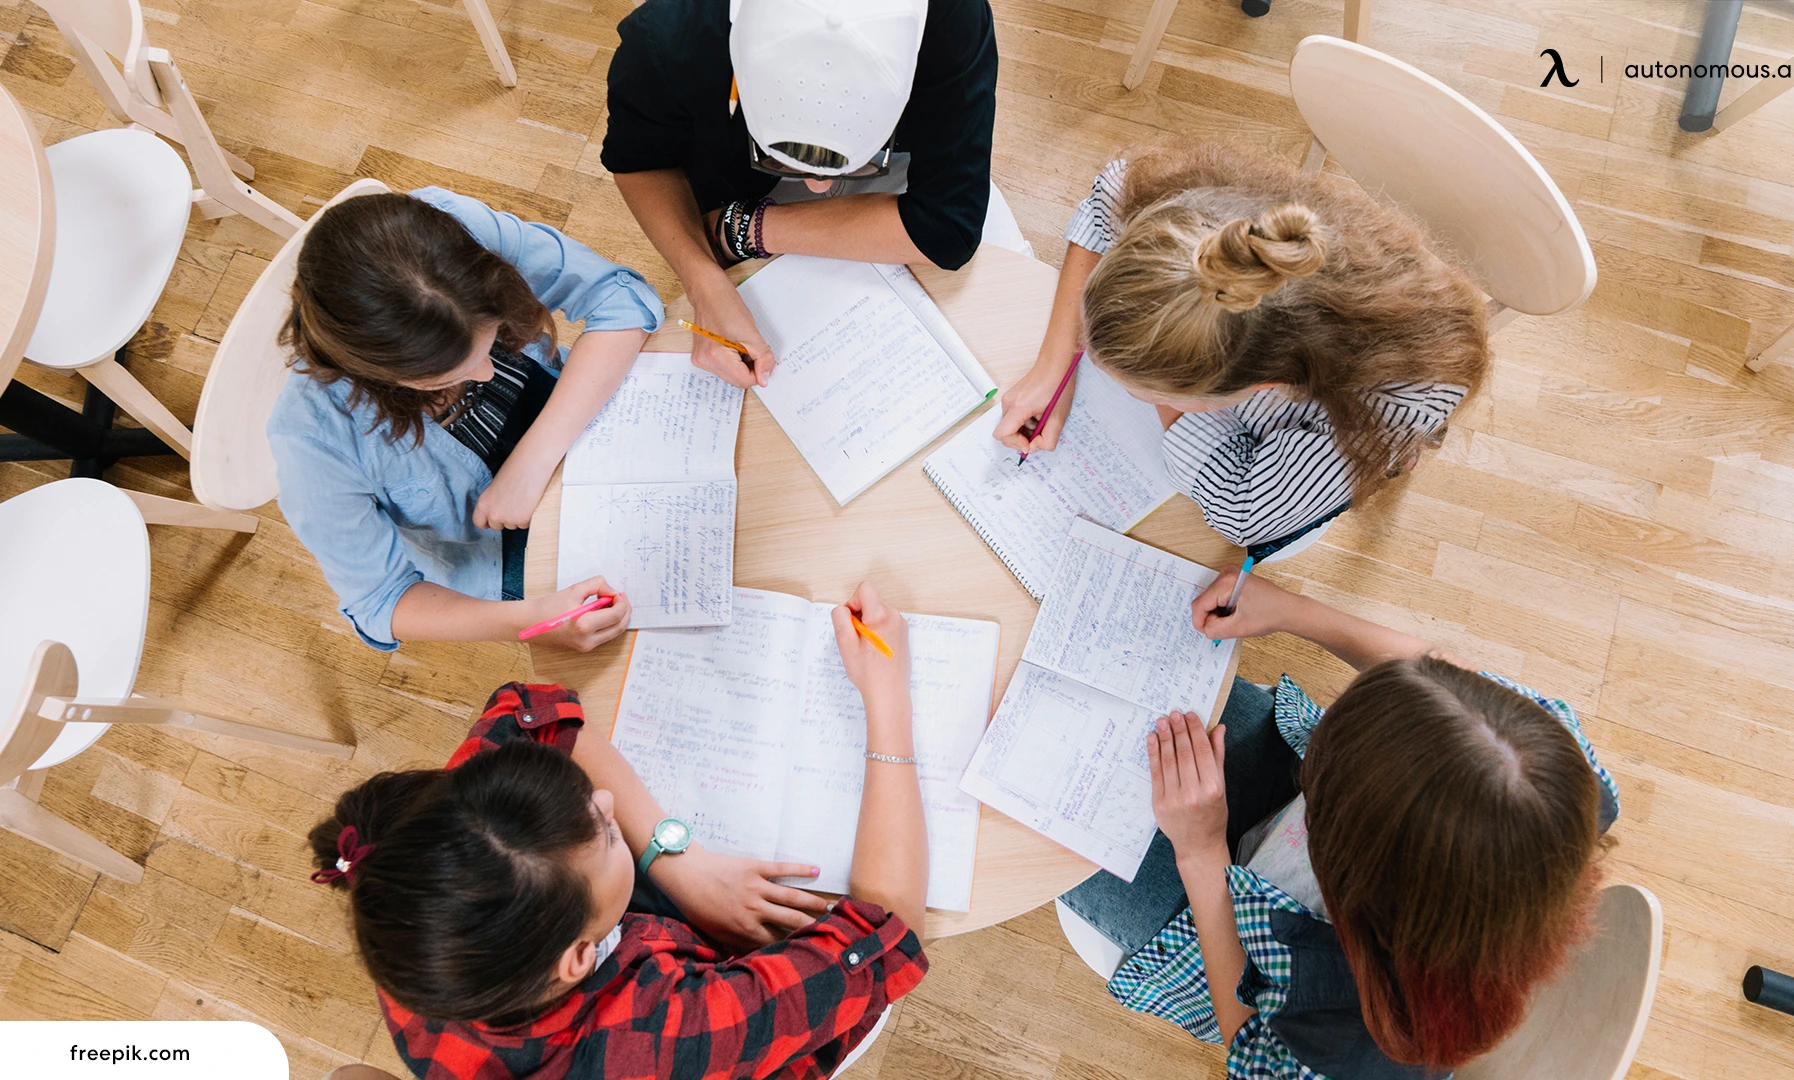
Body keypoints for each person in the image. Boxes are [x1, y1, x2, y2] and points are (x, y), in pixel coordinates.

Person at [310, 582, 929, 1080]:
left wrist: (672, 857)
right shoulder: (652, 1041)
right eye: (607, 833)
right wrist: (885, 696)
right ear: (581, 956)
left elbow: (526, 713)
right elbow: (887, 931)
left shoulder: (425, 901)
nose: (608, 800)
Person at [1059, 569, 1619, 1077]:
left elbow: (1251, 1043)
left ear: (1347, 865)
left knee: (1051, 817)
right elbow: (1441, 681)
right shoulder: (1545, 763)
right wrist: (1294, 613)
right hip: (1270, 856)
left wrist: (1201, 852)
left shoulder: (1346, 1050)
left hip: (1220, 940)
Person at [994, 144, 1492, 558]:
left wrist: (1159, 380)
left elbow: (1244, 511)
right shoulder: (1193, 218)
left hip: (1392, 373)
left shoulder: (1393, 398)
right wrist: (1053, 363)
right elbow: (1110, 187)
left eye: (1149, 393)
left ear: (1264, 386)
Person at [270, 187, 662, 653]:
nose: (488, 373)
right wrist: (533, 619)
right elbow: (382, 600)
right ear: (381, 374)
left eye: (494, 340)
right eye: (448, 377)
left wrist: (532, 461)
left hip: (583, 418)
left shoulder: (450, 239)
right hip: (503, 547)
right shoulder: (314, 438)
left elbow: (619, 297)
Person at [603, 0, 1027, 392]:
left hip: (767, 208)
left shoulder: (950, 14)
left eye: (855, 164)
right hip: (741, 186)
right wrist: (702, 281)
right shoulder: (670, 36)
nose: (818, 188)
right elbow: (640, 162)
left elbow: (949, 226)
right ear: (736, 85)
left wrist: (748, 228)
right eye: (783, 159)